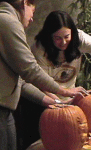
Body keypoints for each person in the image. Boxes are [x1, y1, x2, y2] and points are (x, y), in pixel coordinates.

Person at [0, 0, 87, 150]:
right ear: (25, 3)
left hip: (1, 107)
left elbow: (22, 80)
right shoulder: (6, 21)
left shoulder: (4, 22)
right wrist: (65, 91)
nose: (32, 19)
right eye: (32, 12)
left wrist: (53, 102)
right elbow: (29, 69)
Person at [25, 10, 91, 150]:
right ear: (49, 37)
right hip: (46, 101)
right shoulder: (39, 49)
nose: (64, 42)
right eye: (57, 38)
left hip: (72, 98)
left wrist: (70, 100)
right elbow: (41, 84)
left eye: (67, 36)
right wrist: (59, 103)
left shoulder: (79, 39)